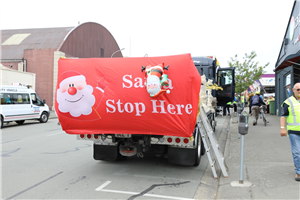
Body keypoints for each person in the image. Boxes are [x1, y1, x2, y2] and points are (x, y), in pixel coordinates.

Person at [280, 82, 300, 181]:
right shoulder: (288, 102)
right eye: (298, 89)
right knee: (297, 152)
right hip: (294, 131)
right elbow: (283, 116)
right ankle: (299, 172)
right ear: (293, 90)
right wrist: (282, 128)